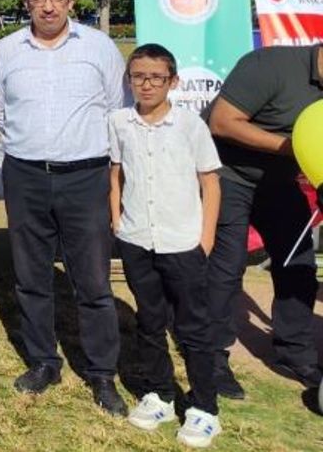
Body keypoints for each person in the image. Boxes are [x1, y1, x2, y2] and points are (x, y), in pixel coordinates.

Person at [0, 0, 128, 415]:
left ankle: (102, 374)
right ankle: (44, 361)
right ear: (26, 3)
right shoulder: (8, 51)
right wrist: (36, 147)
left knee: (92, 281)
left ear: (71, 1)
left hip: (85, 177)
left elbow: (115, 108)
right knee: (31, 277)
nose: (47, 6)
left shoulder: (99, 48)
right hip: (26, 176)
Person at [110, 44, 223, 447]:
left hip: (183, 242)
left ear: (172, 82)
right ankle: (158, 392)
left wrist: (204, 239)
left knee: (193, 327)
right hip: (138, 238)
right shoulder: (120, 122)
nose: (147, 84)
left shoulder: (190, 125)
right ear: (129, 80)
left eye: (156, 77)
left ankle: (204, 407)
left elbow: (210, 183)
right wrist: (117, 219)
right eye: (139, 76)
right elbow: (117, 173)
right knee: (149, 320)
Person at [206, 42, 323, 395]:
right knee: (227, 266)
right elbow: (221, 122)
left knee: (299, 265)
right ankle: (212, 356)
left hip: (282, 181)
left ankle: (295, 352)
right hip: (229, 172)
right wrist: (292, 146)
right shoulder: (270, 65)